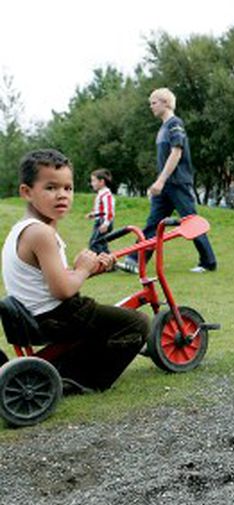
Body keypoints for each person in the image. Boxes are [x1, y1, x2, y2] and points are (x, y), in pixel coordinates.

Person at [1, 149, 150, 394]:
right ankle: (81, 379)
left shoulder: (24, 229)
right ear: (26, 192)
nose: (62, 195)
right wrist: (81, 270)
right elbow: (62, 290)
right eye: (51, 188)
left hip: (39, 315)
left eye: (68, 188)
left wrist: (90, 270)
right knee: (137, 324)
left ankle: (68, 366)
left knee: (105, 321)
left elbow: (53, 279)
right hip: (58, 316)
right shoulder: (41, 233)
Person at [119, 87, 216, 274]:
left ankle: (208, 262)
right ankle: (134, 262)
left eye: (153, 103)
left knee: (191, 221)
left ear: (165, 102)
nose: (151, 107)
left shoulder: (174, 124)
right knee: (153, 225)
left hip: (177, 183)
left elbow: (177, 152)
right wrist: (157, 184)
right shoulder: (163, 128)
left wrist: (161, 181)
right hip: (165, 186)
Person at [86, 168, 115, 255]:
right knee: (101, 243)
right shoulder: (101, 194)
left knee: (94, 243)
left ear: (101, 182)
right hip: (100, 220)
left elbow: (109, 210)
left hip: (104, 222)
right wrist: (93, 215)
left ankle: (104, 262)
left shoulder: (106, 195)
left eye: (94, 181)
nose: (92, 184)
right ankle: (109, 263)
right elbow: (101, 210)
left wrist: (106, 223)